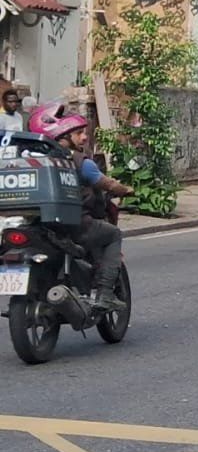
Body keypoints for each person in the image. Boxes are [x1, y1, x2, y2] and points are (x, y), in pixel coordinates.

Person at [28, 103, 132, 311]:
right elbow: (106, 184)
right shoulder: (79, 161)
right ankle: (105, 294)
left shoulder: (23, 159)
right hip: (73, 226)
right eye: (78, 133)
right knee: (113, 235)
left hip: (34, 226)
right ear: (61, 136)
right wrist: (126, 190)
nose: (84, 137)